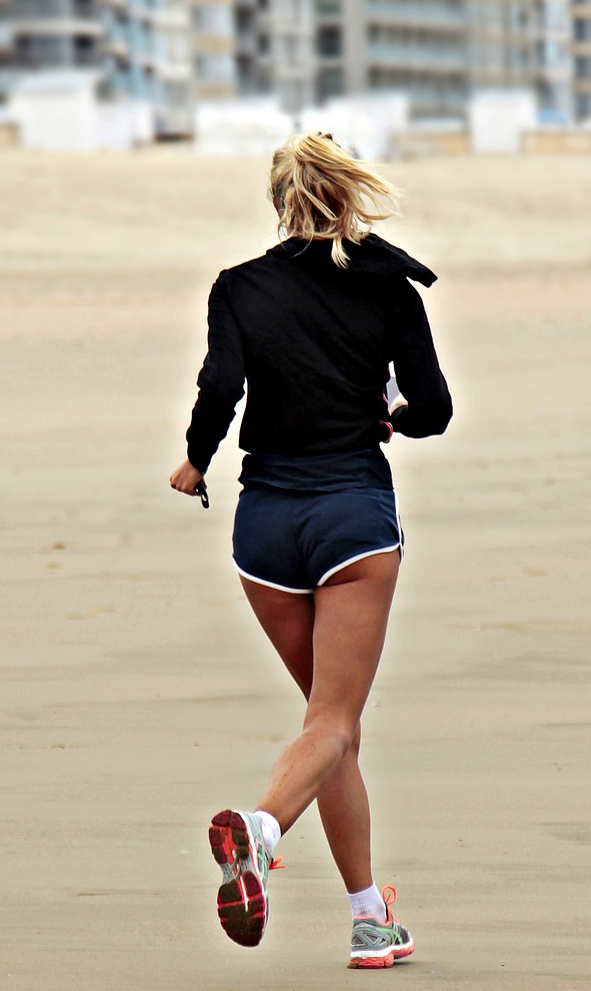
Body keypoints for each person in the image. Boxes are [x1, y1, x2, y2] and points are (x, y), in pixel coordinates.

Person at [169, 131, 452, 969]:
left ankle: (372, 918)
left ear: (279, 202)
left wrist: (195, 458)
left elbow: (220, 386)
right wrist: (388, 415)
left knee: (332, 730)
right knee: (333, 721)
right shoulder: (390, 288)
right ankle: (258, 832)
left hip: (264, 530)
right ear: (348, 192)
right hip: (351, 522)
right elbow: (431, 408)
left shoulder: (239, 287)